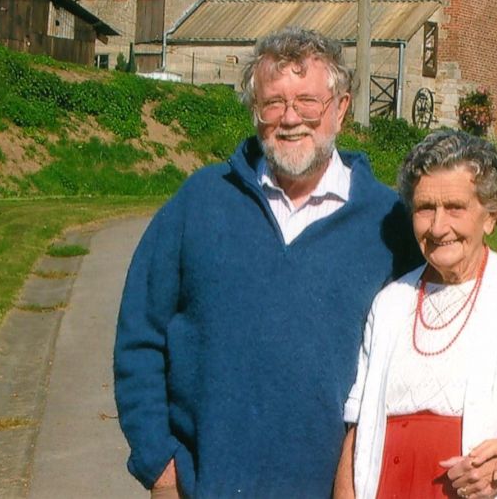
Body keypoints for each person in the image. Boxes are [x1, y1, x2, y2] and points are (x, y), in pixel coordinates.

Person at [113, 27, 421, 497]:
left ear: (340, 108)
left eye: (307, 101)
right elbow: (140, 336)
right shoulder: (201, 202)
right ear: (255, 113)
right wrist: (158, 463)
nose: (290, 118)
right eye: (273, 103)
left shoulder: (387, 223)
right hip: (207, 485)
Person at [334, 129, 497, 499]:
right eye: (425, 208)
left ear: (490, 216)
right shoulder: (391, 302)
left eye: (455, 207)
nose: (438, 227)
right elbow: (359, 425)